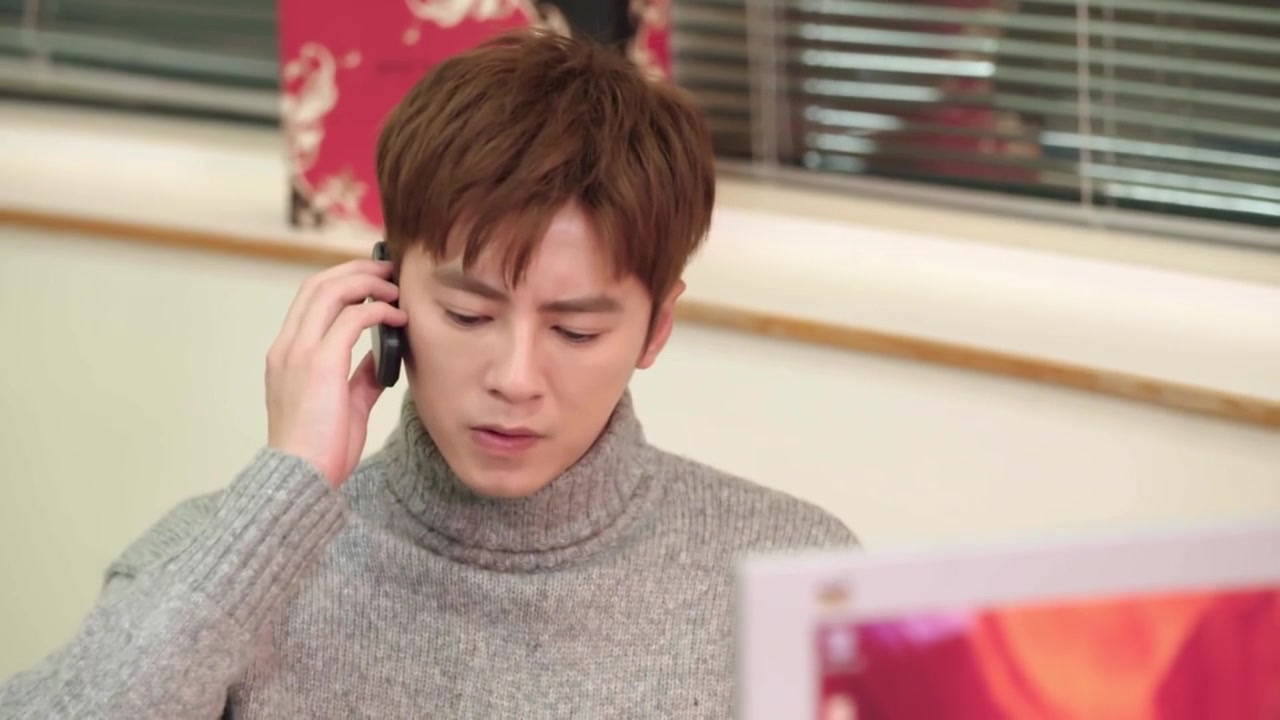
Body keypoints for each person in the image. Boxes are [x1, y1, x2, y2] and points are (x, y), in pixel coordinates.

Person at [0, 29, 856, 719]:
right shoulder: (216, 565)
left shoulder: (794, 573)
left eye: (577, 330)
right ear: (386, 293)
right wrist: (281, 495)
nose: (515, 378)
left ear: (655, 329)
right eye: (469, 316)